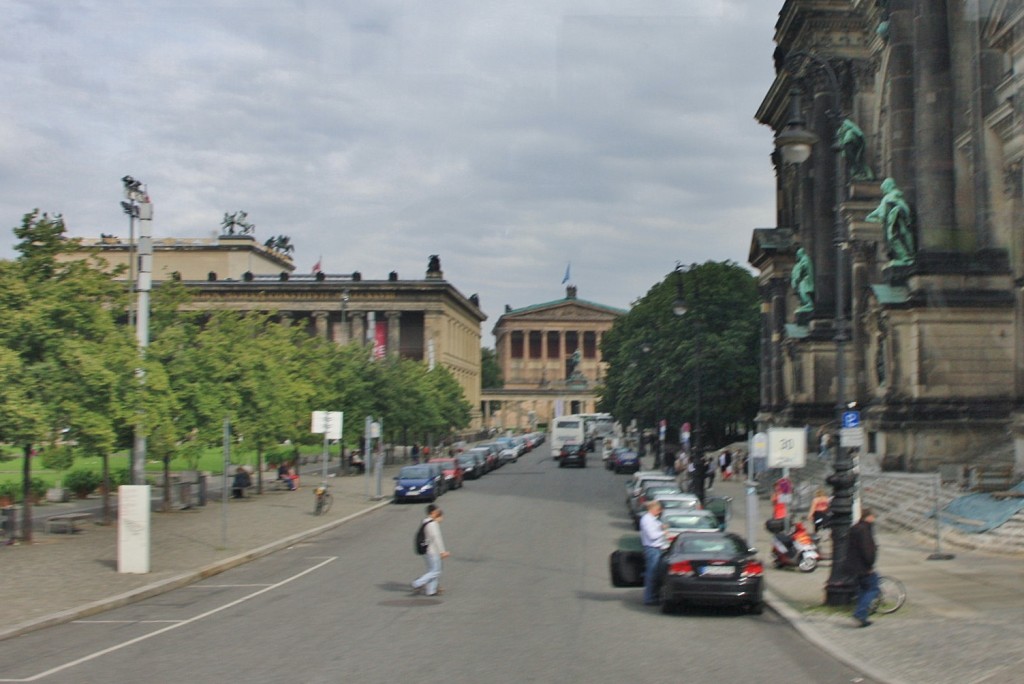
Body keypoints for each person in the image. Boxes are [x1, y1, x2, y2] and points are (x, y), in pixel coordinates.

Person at [865, 177, 915, 266]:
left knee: (895, 237)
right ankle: (905, 256)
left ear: (889, 186)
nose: (883, 191)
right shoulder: (888, 198)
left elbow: (902, 205)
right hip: (892, 221)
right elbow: (872, 215)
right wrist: (877, 219)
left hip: (896, 219)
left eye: (884, 188)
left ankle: (906, 257)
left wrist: (906, 217)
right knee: (894, 237)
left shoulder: (892, 195)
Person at [846, 508, 880, 627]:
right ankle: (860, 613)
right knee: (873, 588)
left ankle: (862, 617)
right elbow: (867, 550)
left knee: (862, 590)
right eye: (873, 517)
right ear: (868, 517)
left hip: (854, 565)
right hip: (863, 566)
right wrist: (869, 565)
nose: (874, 519)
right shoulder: (864, 530)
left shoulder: (855, 528)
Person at [411, 504, 449, 597]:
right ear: (433, 512)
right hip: (432, 551)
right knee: (436, 571)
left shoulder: (425, 522)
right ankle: (417, 583)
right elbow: (437, 538)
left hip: (426, 551)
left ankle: (431, 590)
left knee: (432, 570)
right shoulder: (432, 524)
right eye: (437, 511)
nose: (439, 513)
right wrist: (442, 551)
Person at [638, 500, 668, 606]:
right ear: (653, 509)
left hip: (657, 548)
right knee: (652, 573)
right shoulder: (647, 520)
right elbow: (652, 536)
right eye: (658, 510)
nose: (659, 512)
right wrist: (663, 532)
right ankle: (649, 598)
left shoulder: (653, 519)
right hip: (652, 549)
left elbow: (658, 525)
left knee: (655, 573)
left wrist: (661, 527)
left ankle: (654, 595)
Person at [791, 247, 815, 313]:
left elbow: (803, 267)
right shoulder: (802, 260)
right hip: (803, 280)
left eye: (798, 254)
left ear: (800, 253)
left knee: (804, 292)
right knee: (802, 292)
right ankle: (806, 304)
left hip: (805, 279)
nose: (797, 256)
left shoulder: (805, 259)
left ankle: (809, 304)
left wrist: (797, 275)